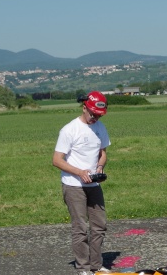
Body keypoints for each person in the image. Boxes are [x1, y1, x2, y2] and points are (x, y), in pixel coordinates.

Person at [53, 91, 112, 275]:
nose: (95, 118)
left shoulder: (100, 127)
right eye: (93, 114)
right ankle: (84, 268)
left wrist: (100, 167)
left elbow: (102, 152)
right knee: (80, 228)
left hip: (93, 185)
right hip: (73, 185)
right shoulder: (69, 130)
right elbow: (57, 160)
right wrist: (79, 172)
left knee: (99, 225)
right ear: (84, 107)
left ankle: (96, 265)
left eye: (99, 115)